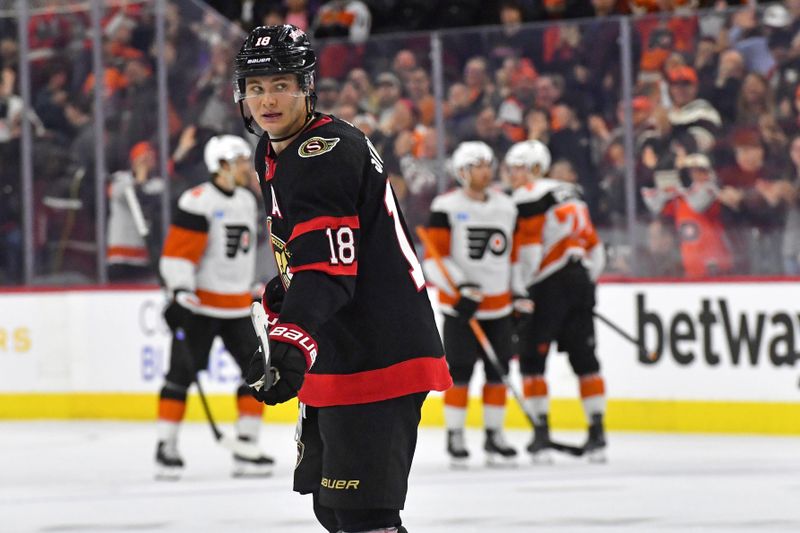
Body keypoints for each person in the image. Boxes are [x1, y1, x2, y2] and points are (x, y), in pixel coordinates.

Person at [233, 25, 451, 533]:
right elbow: (312, 258)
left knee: (365, 516)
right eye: (256, 86)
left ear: (306, 86)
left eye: (281, 83)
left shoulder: (322, 153)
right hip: (342, 348)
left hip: (377, 352)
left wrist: (290, 339)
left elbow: (330, 272)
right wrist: (280, 303)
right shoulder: (285, 148)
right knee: (333, 510)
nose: (268, 99)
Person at [156, 134, 274, 479]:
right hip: (201, 306)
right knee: (179, 377)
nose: (244, 167)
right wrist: (179, 290)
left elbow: (243, 253)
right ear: (221, 164)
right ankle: (166, 446)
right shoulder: (197, 202)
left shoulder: (247, 201)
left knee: (260, 375)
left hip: (238, 304)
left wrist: (251, 284)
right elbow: (178, 254)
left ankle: (247, 445)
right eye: (238, 161)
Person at [510, 139, 608, 463]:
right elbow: (595, 248)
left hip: (546, 286)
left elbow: (530, 250)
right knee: (586, 360)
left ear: (535, 168)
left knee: (532, 361)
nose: (513, 175)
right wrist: (584, 282)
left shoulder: (530, 194)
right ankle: (598, 434)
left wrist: (521, 289)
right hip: (580, 282)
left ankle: (541, 433)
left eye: (519, 168)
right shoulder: (572, 192)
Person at [422, 141, 519, 467]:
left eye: (488, 163)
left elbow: (513, 256)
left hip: (499, 307)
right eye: (478, 165)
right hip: (461, 307)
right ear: (462, 171)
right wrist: (460, 287)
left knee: (498, 372)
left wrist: (518, 293)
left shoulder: (507, 206)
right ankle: (456, 435)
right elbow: (434, 259)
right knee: (460, 372)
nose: (485, 170)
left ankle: (494, 435)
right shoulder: (446, 206)